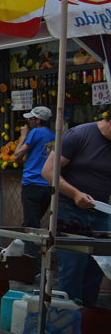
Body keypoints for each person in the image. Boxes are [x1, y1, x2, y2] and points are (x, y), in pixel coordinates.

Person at [42, 111, 111, 308]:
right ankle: (66, 321)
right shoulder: (79, 135)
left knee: (96, 269)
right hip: (70, 210)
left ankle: (88, 323)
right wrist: (75, 194)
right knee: (74, 266)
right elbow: (48, 171)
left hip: (102, 212)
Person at [13, 107, 54, 274]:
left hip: (32, 184)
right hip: (47, 186)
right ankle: (24, 260)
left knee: (31, 227)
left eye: (30, 119)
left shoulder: (35, 133)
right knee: (33, 223)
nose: (28, 122)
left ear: (38, 120)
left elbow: (16, 155)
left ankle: (34, 268)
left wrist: (23, 136)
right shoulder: (54, 136)